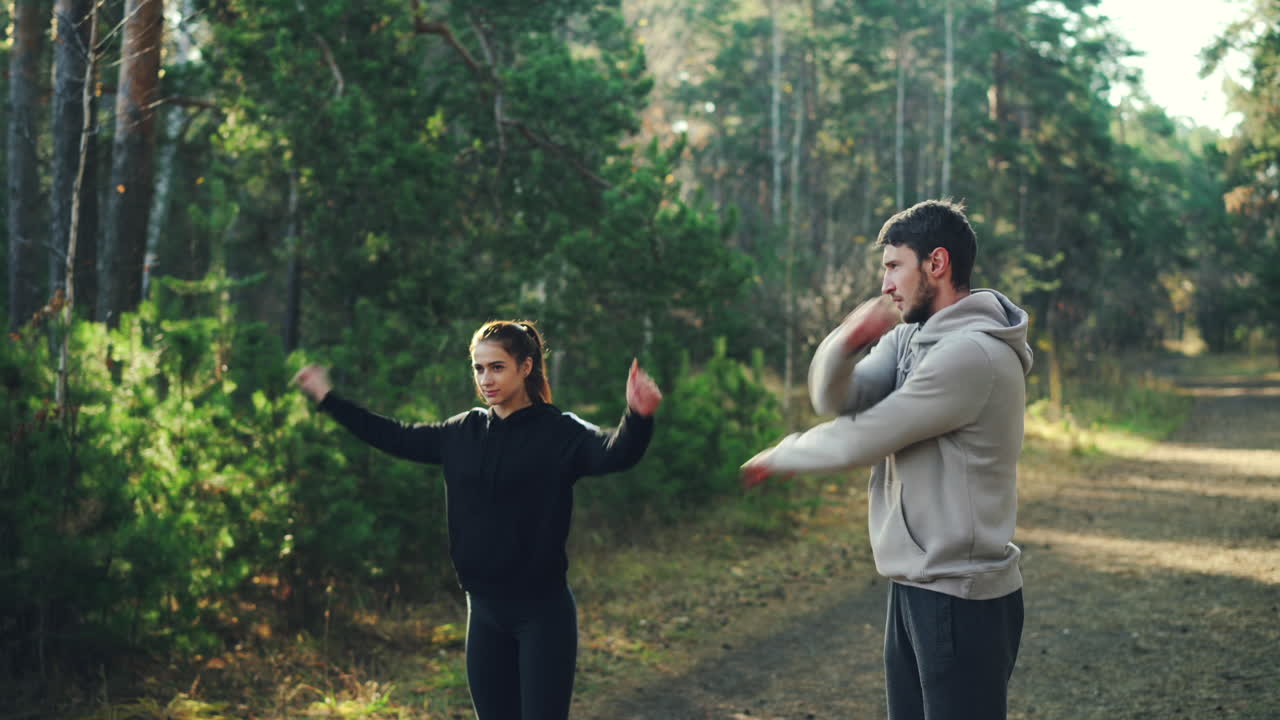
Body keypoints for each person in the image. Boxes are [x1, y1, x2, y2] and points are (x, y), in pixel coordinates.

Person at [741, 199, 1032, 720]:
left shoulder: (974, 355)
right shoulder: (910, 337)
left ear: (936, 263)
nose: (886, 284)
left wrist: (784, 455)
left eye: (895, 266)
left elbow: (869, 435)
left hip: (962, 596)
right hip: (915, 583)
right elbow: (837, 399)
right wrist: (847, 341)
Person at [292, 320, 662, 720]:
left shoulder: (560, 432)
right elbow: (393, 435)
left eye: (497, 367)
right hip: (483, 611)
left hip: (542, 614)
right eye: (479, 368)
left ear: (526, 367)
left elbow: (614, 452)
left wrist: (638, 416)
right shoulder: (462, 432)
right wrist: (328, 398)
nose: (486, 379)